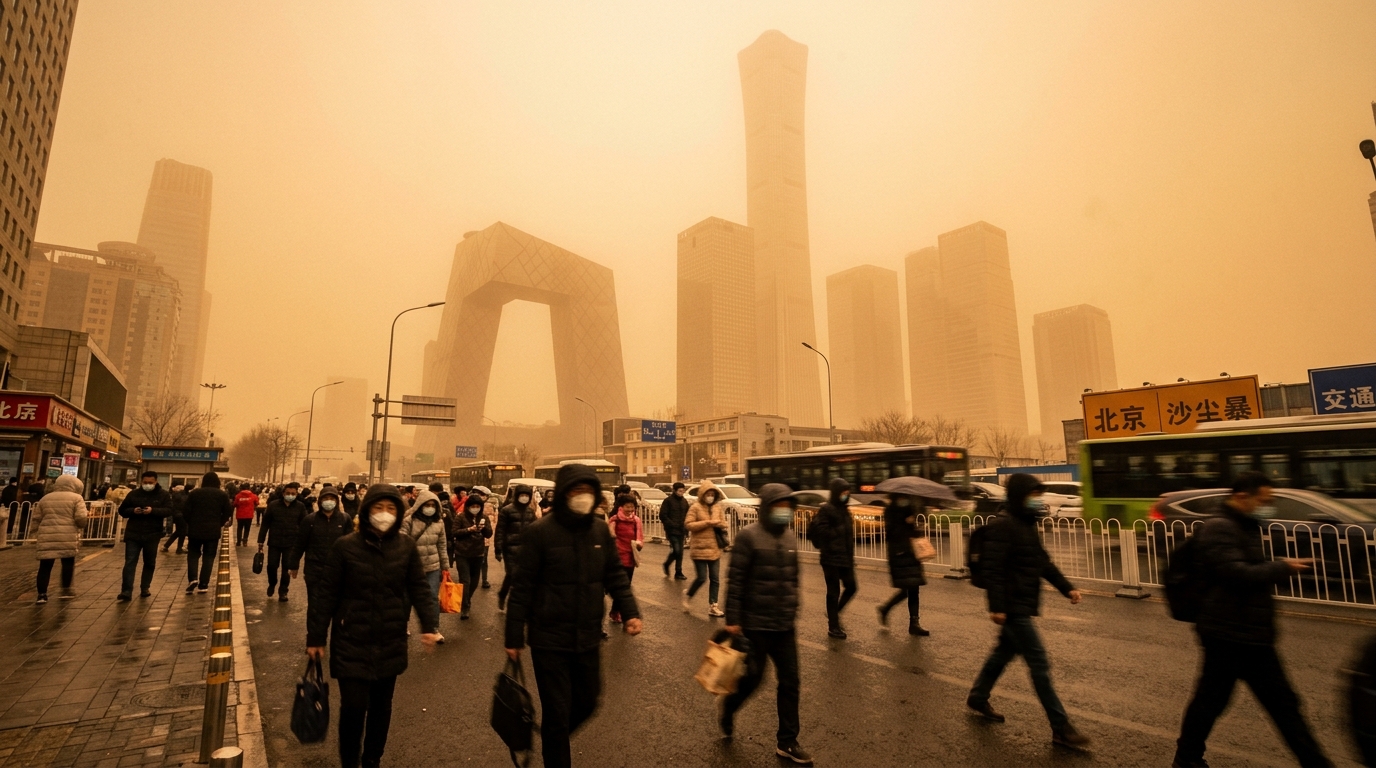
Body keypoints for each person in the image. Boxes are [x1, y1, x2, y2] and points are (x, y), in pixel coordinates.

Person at [1173, 471, 1330, 768]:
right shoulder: (1220, 527)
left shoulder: (1243, 525)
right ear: (1242, 496)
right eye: (1263, 501)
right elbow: (1236, 573)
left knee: (1221, 702)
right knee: (1272, 705)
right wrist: (1282, 568)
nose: (1267, 507)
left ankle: (1187, 758)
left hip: (1245, 631)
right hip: (1229, 633)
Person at [505, 464, 642, 768]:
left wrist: (630, 612)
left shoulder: (599, 531)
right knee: (557, 711)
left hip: (588, 637)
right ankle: (556, 750)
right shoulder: (540, 533)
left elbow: (615, 576)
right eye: (576, 490)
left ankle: (553, 738)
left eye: (588, 491)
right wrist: (513, 636)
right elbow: (522, 587)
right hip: (548, 640)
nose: (582, 496)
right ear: (564, 493)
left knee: (588, 701)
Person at [306, 484, 441, 768]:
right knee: (354, 707)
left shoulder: (405, 547)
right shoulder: (345, 547)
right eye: (379, 507)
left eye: (391, 508)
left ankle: (372, 759)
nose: (384, 514)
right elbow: (326, 594)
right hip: (351, 639)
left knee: (381, 707)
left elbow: (419, 588)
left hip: (390, 639)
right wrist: (316, 637)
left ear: (399, 513)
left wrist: (429, 625)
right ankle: (350, 761)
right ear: (367, 511)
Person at [966, 473, 1089, 749]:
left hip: (1022, 601)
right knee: (1039, 664)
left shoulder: (1026, 524)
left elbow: (1042, 563)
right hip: (1012, 606)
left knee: (1002, 654)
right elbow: (993, 570)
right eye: (1033, 495)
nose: (1037, 500)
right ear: (1019, 496)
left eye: (1038, 495)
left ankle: (978, 696)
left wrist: (1067, 588)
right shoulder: (1003, 526)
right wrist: (997, 607)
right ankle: (1060, 727)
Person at [720, 483, 812, 766]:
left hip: (784, 625)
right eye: (779, 506)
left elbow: (793, 577)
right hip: (755, 625)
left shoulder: (790, 537)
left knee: (791, 682)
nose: (785, 511)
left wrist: (793, 605)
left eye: (788, 506)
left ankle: (787, 741)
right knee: (753, 679)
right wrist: (733, 619)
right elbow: (736, 580)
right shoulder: (748, 537)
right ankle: (729, 707)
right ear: (768, 507)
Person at [290, 487, 351, 615]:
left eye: (332, 499)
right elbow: (300, 544)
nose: (329, 501)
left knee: (337, 606)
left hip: (337, 570)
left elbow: (350, 545)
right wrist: (293, 565)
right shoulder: (310, 520)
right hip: (314, 569)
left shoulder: (344, 519)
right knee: (315, 605)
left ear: (337, 501)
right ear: (320, 501)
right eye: (326, 498)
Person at [809, 477, 857, 639]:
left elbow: (848, 537)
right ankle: (833, 626)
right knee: (833, 592)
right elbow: (821, 532)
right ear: (836, 493)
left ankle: (835, 613)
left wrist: (850, 557)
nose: (846, 495)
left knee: (852, 587)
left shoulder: (845, 510)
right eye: (843, 492)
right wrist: (837, 530)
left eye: (847, 492)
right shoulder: (826, 509)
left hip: (845, 557)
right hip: (830, 558)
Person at [877, 492, 929, 636]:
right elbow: (890, 533)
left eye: (905, 497)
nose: (903, 500)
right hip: (898, 554)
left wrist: (916, 528)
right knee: (906, 589)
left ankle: (914, 623)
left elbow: (912, 532)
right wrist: (904, 521)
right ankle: (885, 609)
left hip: (912, 554)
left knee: (914, 588)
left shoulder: (910, 508)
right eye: (901, 497)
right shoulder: (890, 510)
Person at [116, 471, 173, 601]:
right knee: (130, 562)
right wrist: (133, 511)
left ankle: (145, 587)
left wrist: (153, 511)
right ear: (141, 482)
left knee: (149, 562)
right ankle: (126, 591)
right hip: (133, 533)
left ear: (156, 482)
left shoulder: (163, 495)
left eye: (150, 483)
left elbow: (169, 510)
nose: (147, 485)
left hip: (152, 534)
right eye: (145, 482)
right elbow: (122, 510)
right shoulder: (134, 494)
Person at [30, 474, 87, 604]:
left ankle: (42, 595)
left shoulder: (45, 498)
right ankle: (66, 591)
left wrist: (33, 532)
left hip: (47, 535)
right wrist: (80, 525)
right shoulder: (77, 498)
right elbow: (81, 517)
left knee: (45, 566)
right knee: (67, 562)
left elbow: (36, 518)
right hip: (67, 535)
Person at [401, 489, 449, 638]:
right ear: (420, 505)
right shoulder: (408, 521)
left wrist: (445, 567)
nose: (430, 508)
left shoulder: (439, 522)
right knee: (407, 598)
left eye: (433, 505)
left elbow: (442, 545)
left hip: (433, 567)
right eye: (427, 505)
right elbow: (402, 544)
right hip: (412, 568)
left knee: (432, 597)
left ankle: (434, 628)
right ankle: (403, 625)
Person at [682, 479, 729, 617]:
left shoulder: (717, 508)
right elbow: (688, 524)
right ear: (702, 494)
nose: (710, 497)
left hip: (714, 548)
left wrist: (718, 523)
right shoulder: (695, 507)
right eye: (708, 494)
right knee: (702, 578)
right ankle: (688, 595)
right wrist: (707, 523)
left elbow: (724, 523)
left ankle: (713, 605)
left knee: (715, 579)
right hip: (699, 548)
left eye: (712, 494)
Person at [182, 472, 233, 594]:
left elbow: (186, 511)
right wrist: (220, 523)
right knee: (209, 557)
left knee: (193, 555)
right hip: (213, 531)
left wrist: (191, 522)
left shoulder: (195, 493)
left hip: (195, 530)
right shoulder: (222, 495)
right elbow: (228, 511)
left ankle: (193, 578)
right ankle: (203, 584)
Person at [258, 482, 309, 602]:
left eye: (293, 494)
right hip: (274, 542)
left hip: (291, 543)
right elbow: (265, 523)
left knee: (287, 568)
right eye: (288, 493)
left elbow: (304, 525)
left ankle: (283, 591)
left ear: (296, 494)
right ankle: (272, 583)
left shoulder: (300, 507)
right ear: (283, 493)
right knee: (272, 566)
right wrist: (261, 540)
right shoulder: (273, 505)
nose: (290, 495)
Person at [494, 483, 537, 612]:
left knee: (521, 575)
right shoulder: (506, 510)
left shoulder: (530, 511)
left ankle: (508, 596)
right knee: (512, 574)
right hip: (510, 548)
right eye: (522, 495)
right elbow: (500, 530)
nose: (524, 498)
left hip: (526, 548)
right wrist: (498, 549)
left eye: (526, 495)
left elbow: (535, 530)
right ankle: (509, 599)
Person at [450, 492, 492, 619]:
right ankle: (465, 606)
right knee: (465, 580)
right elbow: (454, 532)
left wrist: (483, 529)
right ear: (468, 507)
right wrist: (469, 530)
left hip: (478, 553)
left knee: (474, 581)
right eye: (473, 506)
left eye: (477, 506)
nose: (475, 508)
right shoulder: (461, 517)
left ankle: (467, 599)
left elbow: (489, 534)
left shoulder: (484, 517)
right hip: (462, 553)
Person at [609, 494, 643, 624]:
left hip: (630, 557)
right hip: (617, 557)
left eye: (632, 507)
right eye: (627, 507)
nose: (630, 509)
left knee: (626, 586)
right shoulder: (614, 520)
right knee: (621, 586)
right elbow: (609, 537)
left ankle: (615, 611)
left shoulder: (636, 521)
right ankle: (617, 612)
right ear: (621, 507)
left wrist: (639, 544)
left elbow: (640, 537)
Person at [659, 482, 689, 580]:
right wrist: (671, 524)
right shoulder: (668, 501)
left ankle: (678, 572)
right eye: (679, 491)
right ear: (674, 491)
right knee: (677, 550)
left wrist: (687, 529)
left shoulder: (684, 501)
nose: (681, 493)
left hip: (682, 530)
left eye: (683, 491)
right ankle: (667, 564)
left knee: (680, 552)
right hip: (671, 530)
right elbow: (663, 515)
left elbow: (688, 515)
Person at [469, 485, 495, 588]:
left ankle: (484, 579)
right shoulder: (468, 505)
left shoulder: (489, 507)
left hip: (484, 538)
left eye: (482, 494)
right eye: (477, 494)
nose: (480, 496)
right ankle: (471, 578)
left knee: (483, 559)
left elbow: (493, 521)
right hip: (469, 537)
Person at [162, 483, 188, 554]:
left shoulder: (174, 497)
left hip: (176, 516)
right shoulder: (182, 497)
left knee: (178, 532)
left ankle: (166, 546)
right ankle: (179, 548)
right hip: (182, 516)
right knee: (182, 532)